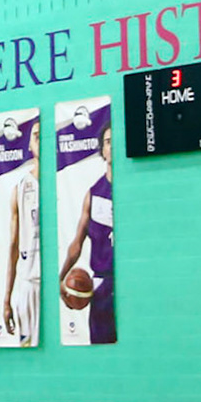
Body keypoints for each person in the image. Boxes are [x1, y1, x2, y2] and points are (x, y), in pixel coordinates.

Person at [58, 123, 116, 343]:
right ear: (102, 149)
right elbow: (77, 244)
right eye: (108, 142)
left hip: (128, 283)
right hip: (102, 285)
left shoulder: (131, 191)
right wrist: (61, 277)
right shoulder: (93, 194)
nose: (112, 147)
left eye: (116, 142)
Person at [0, 121, 42, 346]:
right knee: (27, 349)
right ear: (29, 146)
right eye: (36, 136)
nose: (40, 140)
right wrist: (7, 299)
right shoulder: (20, 189)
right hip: (29, 283)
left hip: (57, 282)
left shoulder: (66, 183)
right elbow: (13, 247)